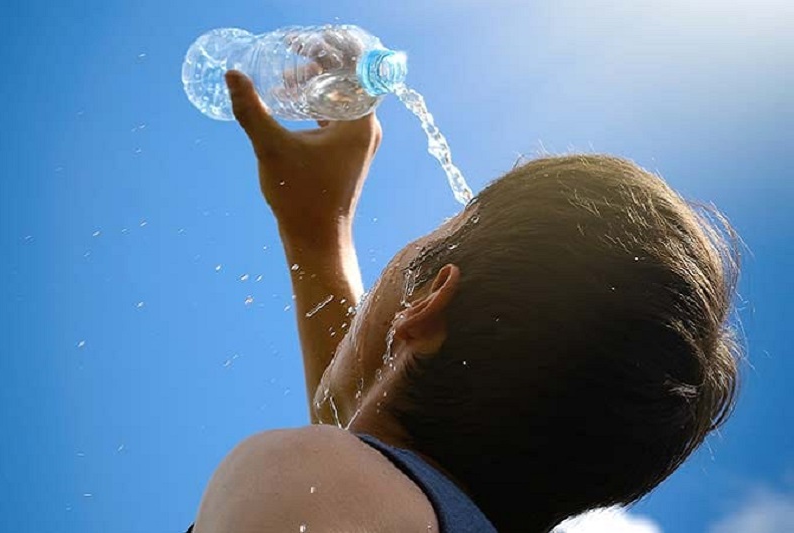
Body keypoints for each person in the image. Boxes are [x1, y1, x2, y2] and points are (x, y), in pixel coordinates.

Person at [185, 69, 741, 533]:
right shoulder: (408, 506)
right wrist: (319, 238)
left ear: (429, 298)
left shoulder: (311, 476)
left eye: (432, 235)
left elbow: (348, 463)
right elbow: (364, 439)